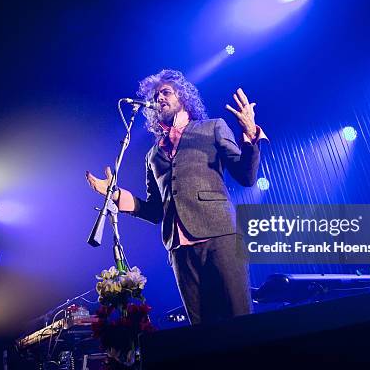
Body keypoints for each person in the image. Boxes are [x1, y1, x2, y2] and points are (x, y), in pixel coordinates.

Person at [86, 69, 266, 325]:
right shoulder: (153, 155)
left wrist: (250, 134)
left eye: (166, 92)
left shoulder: (212, 127)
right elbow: (154, 211)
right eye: (156, 95)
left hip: (219, 236)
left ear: (183, 96)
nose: (160, 98)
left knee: (239, 319)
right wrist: (114, 195)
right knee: (202, 329)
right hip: (179, 248)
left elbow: (246, 177)